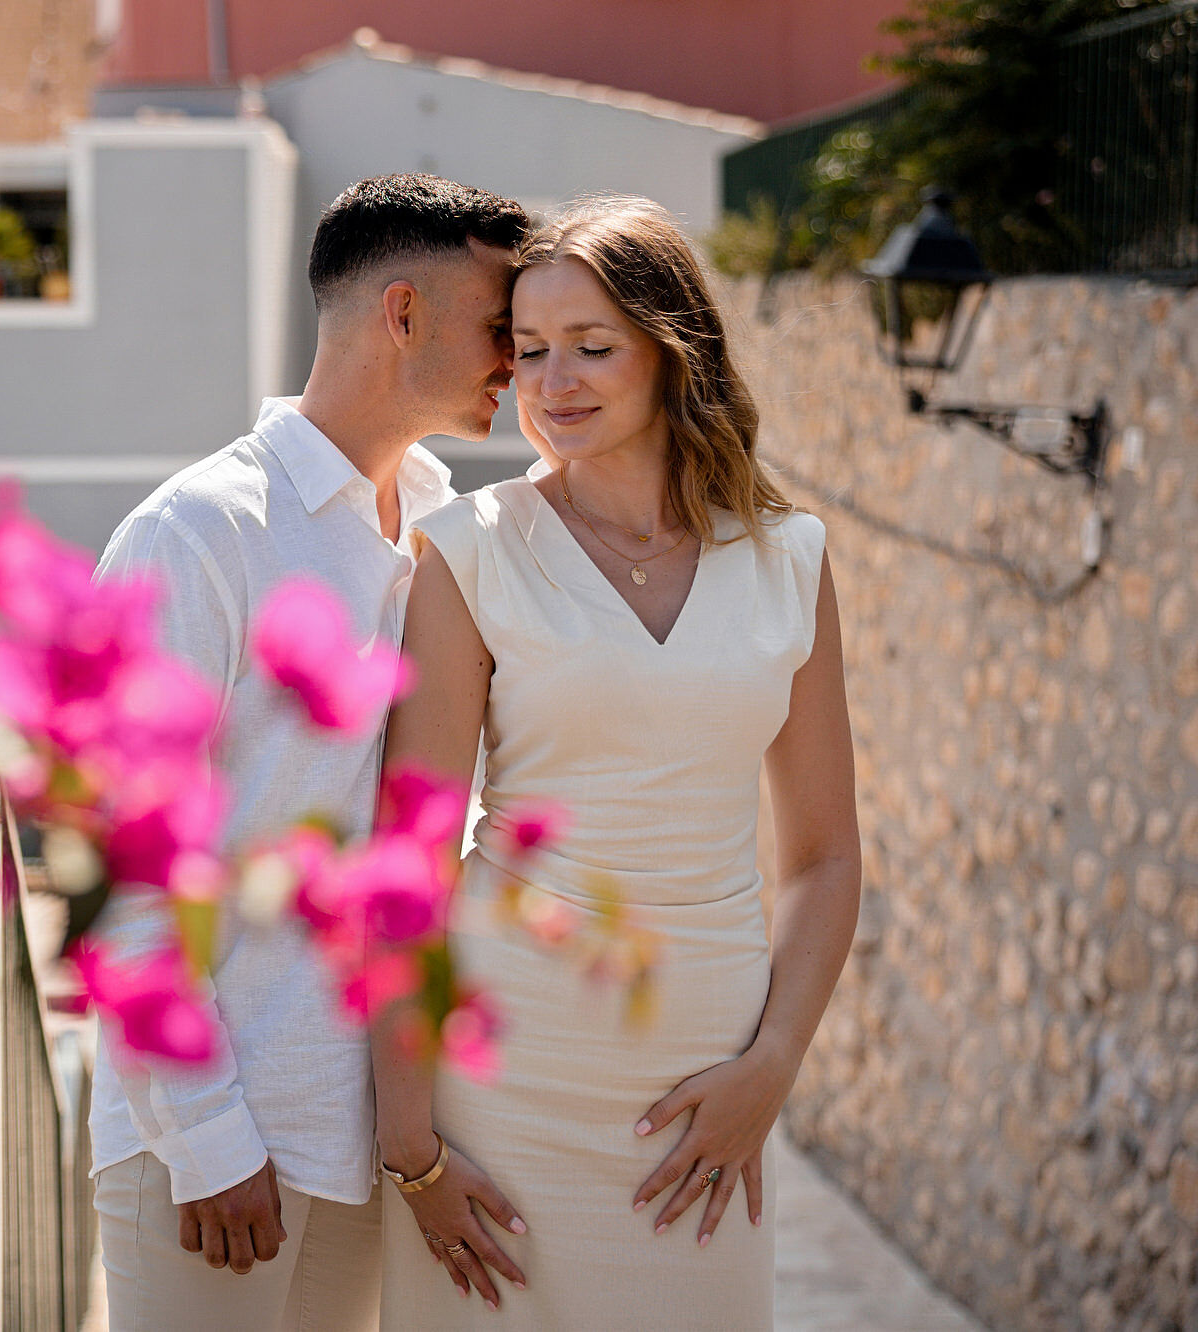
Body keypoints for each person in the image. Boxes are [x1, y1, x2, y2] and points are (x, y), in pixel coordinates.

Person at [372, 194, 862, 1327]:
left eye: (591, 347)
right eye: (529, 351)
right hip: (505, 1079)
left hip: (709, 1084)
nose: (553, 384)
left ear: (670, 351)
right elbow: (403, 863)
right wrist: (411, 1147)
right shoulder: (467, 553)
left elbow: (826, 857)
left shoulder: (788, 558)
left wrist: (772, 1064)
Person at [86, 174, 530, 1331]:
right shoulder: (194, 535)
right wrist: (210, 1142)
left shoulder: (439, 531)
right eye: (500, 327)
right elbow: (125, 876)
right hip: (213, 1155)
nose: (517, 359)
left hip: (362, 1146)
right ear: (401, 315)